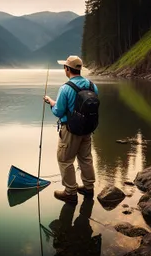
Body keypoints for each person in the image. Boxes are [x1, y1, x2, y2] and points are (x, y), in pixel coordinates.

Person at [44, 55, 98, 204]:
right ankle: (88, 187)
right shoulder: (92, 86)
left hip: (70, 130)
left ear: (67, 69)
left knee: (65, 160)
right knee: (86, 159)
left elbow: (59, 112)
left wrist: (50, 103)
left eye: (65, 67)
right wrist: (54, 102)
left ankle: (70, 192)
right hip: (87, 129)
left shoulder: (65, 88)